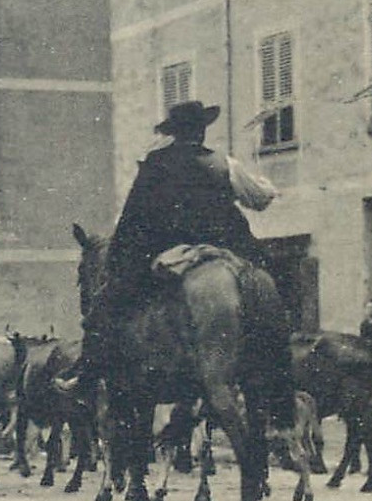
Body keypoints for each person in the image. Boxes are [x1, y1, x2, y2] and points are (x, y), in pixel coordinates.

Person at [57, 99, 279, 394]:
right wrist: (266, 184)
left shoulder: (154, 165)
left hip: (166, 250)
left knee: (105, 305)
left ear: (175, 132)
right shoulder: (224, 164)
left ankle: (84, 375)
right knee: (270, 289)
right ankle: (280, 371)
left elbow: (132, 217)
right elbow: (260, 199)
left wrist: (119, 260)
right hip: (227, 248)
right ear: (201, 131)